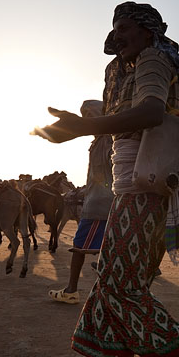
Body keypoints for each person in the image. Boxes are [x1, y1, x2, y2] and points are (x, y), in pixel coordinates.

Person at [34, 1, 179, 357]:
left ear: (146, 31)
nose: (118, 34)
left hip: (148, 190)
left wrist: (83, 128)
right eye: (114, 28)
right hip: (128, 188)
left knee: (120, 288)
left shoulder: (155, 60)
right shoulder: (120, 71)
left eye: (125, 27)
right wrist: (72, 128)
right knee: (115, 282)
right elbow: (118, 119)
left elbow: (149, 112)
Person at [48, 99, 114, 304]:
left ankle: (71, 290)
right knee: (107, 248)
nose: (86, 122)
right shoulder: (101, 140)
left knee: (79, 247)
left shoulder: (106, 141)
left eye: (89, 117)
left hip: (99, 204)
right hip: (101, 201)